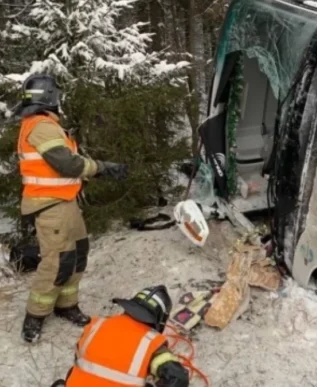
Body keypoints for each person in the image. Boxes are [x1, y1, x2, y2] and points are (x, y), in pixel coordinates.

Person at [16, 73, 129, 342]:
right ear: (50, 97)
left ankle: (67, 305)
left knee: (78, 253)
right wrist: (103, 168)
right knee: (57, 261)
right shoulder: (41, 126)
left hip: (64, 202)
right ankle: (35, 316)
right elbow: (67, 164)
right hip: (49, 205)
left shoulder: (45, 124)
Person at [51, 285, 190, 387]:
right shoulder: (152, 343)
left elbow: (81, 359)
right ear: (160, 318)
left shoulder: (97, 324)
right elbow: (177, 379)